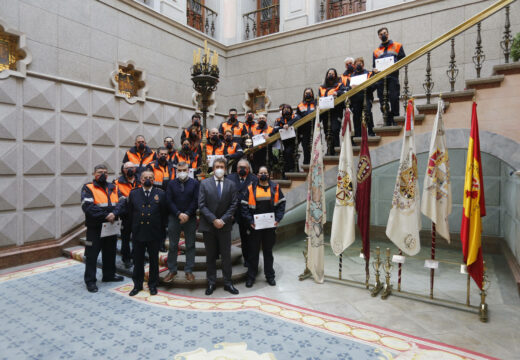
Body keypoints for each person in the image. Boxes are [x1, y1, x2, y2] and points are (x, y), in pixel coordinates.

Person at [198, 158, 240, 295]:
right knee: (210, 256)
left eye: (222, 166)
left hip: (225, 226)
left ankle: (228, 283)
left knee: (226, 256)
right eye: (217, 166)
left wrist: (222, 220)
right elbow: (202, 205)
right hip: (209, 226)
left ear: (226, 168)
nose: (220, 168)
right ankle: (211, 282)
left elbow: (234, 204)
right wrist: (213, 220)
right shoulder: (204, 183)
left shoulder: (231, 184)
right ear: (213, 168)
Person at [81, 164, 125, 293]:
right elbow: (88, 207)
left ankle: (109, 275)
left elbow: (122, 202)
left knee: (110, 252)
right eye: (100, 172)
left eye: (106, 172)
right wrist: (106, 215)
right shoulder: (88, 187)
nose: (103, 174)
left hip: (111, 227)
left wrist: (115, 214)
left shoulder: (114, 188)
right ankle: (90, 281)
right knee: (91, 255)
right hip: (94, 229)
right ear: (94, 174)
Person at [242, 166, 285, 288]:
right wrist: (250, 221)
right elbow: (244, 206)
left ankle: (270, 276)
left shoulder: (275, 187)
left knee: (268, 252)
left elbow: (282, 204)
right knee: (253, 253)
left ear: (269, 174)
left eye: (265, 173)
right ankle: (251, 277)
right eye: (261, 173)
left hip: (270, 227)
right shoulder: (251, 188)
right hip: (255, 227)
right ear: (257, 175)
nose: (263, 175)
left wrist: (277, 219)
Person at [127, 170, 168, 296]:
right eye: (145, 178)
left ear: (154, 179)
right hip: (138, 232)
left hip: (154, 233)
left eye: (150, 177)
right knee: (138, 260)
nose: (148, 180)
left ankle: (153, 285)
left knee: (154, 261)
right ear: (141, 179)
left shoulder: (160, 193)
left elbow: (164, 214)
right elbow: (129, 213)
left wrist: (162, 233)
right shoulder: (134, 194)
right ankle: (137, 285)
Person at [164, 162, 199, 283]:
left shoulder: (195, 183)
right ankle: (172, 270)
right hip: (174, 217)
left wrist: (188, 213)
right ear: (176, 171)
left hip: (190, 218)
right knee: (173, 245)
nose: (182, 172)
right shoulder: (171, 183)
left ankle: (189, 271)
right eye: (179, 170)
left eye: (184, 170)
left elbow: (196, 200)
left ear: (188, 170)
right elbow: (168, 201)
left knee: (190, 245)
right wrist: (178, 213)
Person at [372, 27, 405, 126]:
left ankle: (395, 119)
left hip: (393, 77)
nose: (383, 35)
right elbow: (374, 66)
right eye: (381, 34)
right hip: (381, 79)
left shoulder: (397, 46)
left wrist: (395, 65)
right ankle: (387, 119)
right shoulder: (376, 51)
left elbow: (403, 59)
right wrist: (374, 70)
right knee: (382, 100)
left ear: (388, 34)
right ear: (379, 36)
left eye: (385, 33)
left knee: (394, 98)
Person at [227, 159, 256, 267]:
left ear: (248, 169)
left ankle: (247, 260)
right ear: (236, 168)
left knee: (246, 238)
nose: (242, 169)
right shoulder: (229, 178)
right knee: (224, 235)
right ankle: (222, 256)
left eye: (245, 167)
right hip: (231, 212)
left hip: (245, 212)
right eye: (240, 167)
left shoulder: (254, 179)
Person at [114, 162, 140, 268]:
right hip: (125, 215)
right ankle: (126, 259)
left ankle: (136, 257)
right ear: (123, 170)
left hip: (138, 213)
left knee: (137, 238)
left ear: (135, 169)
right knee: (125, 239)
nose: (129, 170)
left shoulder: (140, 180)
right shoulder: (116, 182)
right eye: (127, 168)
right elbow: (118, 198)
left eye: (132, 168)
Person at [318, 68, 347, 154]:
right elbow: (319, 98)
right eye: (329, 73)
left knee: (335, 130)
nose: (331, 75)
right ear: (327, 75)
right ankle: (329, 150)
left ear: (335, 75)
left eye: (332, 73)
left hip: (336, 112)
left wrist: (337, 93)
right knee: (327, 132)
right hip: (325, 113)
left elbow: (345, 92)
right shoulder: (321, 88)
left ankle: (337, 149)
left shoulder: (339, 85)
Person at [349, 57, 376, 137]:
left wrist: (366, 86)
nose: (358, 65)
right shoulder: (351, 76)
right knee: (356, 116)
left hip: (366, 97)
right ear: (354, 65)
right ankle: (358, 135)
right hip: (355, 100)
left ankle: (371, 132)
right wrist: (351, 87)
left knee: (367, 113)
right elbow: (348, 87)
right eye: (357, 64)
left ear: (363, 64)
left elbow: (374, 85)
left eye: (360, 64)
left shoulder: (368, 73)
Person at [295, 88, 316, 165]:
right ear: (304, 94)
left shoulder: (316, 103)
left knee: (315, 145)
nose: (307, 94)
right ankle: (306, 161)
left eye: (309, 93)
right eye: (306, 93)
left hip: (314, 127)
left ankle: (315, 161)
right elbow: (297, 116)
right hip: (304, 129)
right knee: (305, 146)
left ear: (312, 94)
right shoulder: (300, 105)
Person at [274, 104, 297, 174]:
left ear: (290, 110)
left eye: (288, 109)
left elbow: (298, 119)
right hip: (284, 140)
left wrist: (289, 124)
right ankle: (286, 171)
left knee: (289, 152)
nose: (286, 111)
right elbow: (275, 128)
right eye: (284, 109)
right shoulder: (279, 119)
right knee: (284, 155)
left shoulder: (294, 116)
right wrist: (282, 127)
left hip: (293, 140)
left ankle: (291, 169)